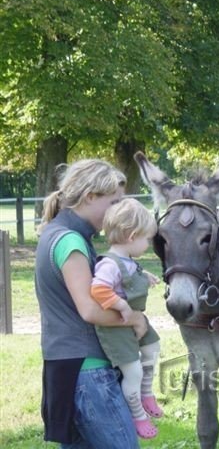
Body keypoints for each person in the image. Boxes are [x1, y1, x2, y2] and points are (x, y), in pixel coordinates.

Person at [35, 159, 146, 449]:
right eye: (114, 202)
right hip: (89, 371)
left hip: (68, 368)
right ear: (90, 197)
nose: (117, 211)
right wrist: (135, 318)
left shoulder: (54, 234)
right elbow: (89, 309)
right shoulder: (70, 242)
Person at [91, 198, 163, 440]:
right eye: (147, 239)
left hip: (133, 321)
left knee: (153, 346)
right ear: (132, 237)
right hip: (117, 328)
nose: (148, 244)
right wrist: (122, 306)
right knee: (133, 372)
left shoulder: (127, 260)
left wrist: (147, 276)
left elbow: (132, 274)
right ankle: (137, 415)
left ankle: (146, 393)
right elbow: (99, 290)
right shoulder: (109, 264)